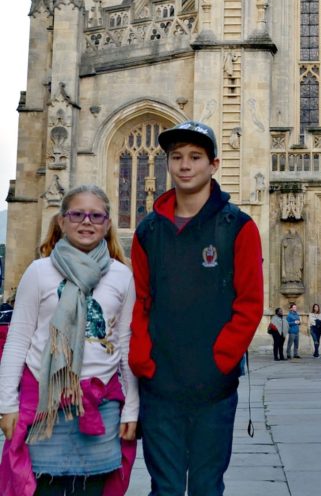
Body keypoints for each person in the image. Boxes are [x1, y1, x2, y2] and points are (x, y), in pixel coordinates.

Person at [129, 120, 263, 496]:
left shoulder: (238, 227)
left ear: (214, 165)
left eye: (195, 157)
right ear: (168, 164)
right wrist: (144, 362)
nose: (185, 165)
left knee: (206, 486)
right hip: (161, 384)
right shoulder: (148, 231)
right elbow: (139, 302)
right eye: (177, 157)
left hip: (214, 386)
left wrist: (221, 359)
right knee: (165, 488)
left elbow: (250, 303)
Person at [0, 185, 138, 496]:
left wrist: (132, 409)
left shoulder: (121, 276)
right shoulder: (39, 272)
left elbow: (126, 346)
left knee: (94, 488)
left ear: (107, 223)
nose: (86, 221)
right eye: (77, 214)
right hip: (43, 405)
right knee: (41, 487)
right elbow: (18, 340)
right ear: (62, 221)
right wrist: (6, 404)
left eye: (96, 215)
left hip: (100, 405)